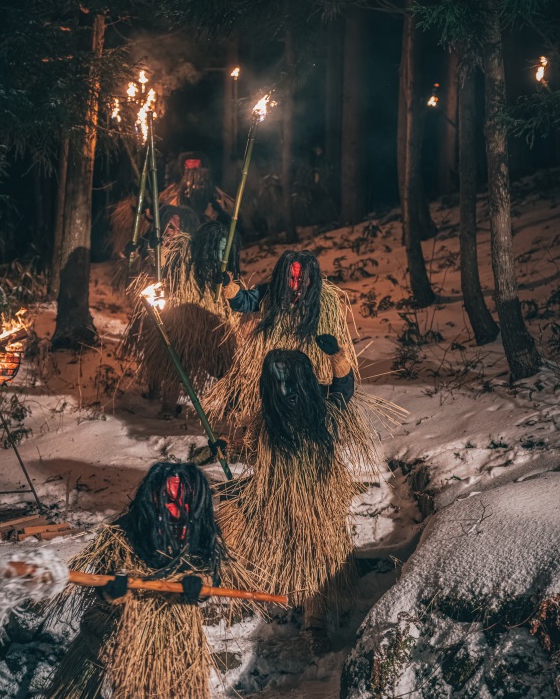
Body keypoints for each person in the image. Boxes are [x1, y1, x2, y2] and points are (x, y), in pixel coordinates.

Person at [26, 463, 248, 699]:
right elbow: (100, 579)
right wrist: (112, 593)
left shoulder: (203, 539)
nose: (175, 503)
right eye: (168, 495)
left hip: (174, 648)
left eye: (183, 497)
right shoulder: (121, 534)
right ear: (153, 496)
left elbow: (214, 576)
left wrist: (198, 586)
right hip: (109, 645)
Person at [218, 338, 372, 641]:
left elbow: (344, 388)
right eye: (279, 383)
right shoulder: (268, 418)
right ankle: (235, 585)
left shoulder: (323, 409)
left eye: (291, 381)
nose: (286, 390)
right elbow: (248, 442)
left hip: (316, 497)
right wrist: (225, 445)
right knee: (230, 511)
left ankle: (316, 620)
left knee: (317, 550)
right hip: (275, 495)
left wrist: (337, 356)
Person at [204, 250, 361, 436]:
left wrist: (335, 354)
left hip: (308, 368)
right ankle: (256, 435)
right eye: (291, 278)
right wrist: (229, 286)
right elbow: (244, 302)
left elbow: (341, 391)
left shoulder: (325, 305)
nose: (296, 286)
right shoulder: (271, 294)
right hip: (273, 366)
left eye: (302, 279)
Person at [120, 220, 243, 419]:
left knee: (225, 364)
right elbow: (160, 262)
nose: (222, 257)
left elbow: (235, 296)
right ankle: (167, 406)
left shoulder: (223, 272)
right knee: (174, 364)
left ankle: (234, 403)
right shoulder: (185, 253)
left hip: (211, 326)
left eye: (225, 251)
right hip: (181, 325)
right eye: (218, 250)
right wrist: (154, 254)